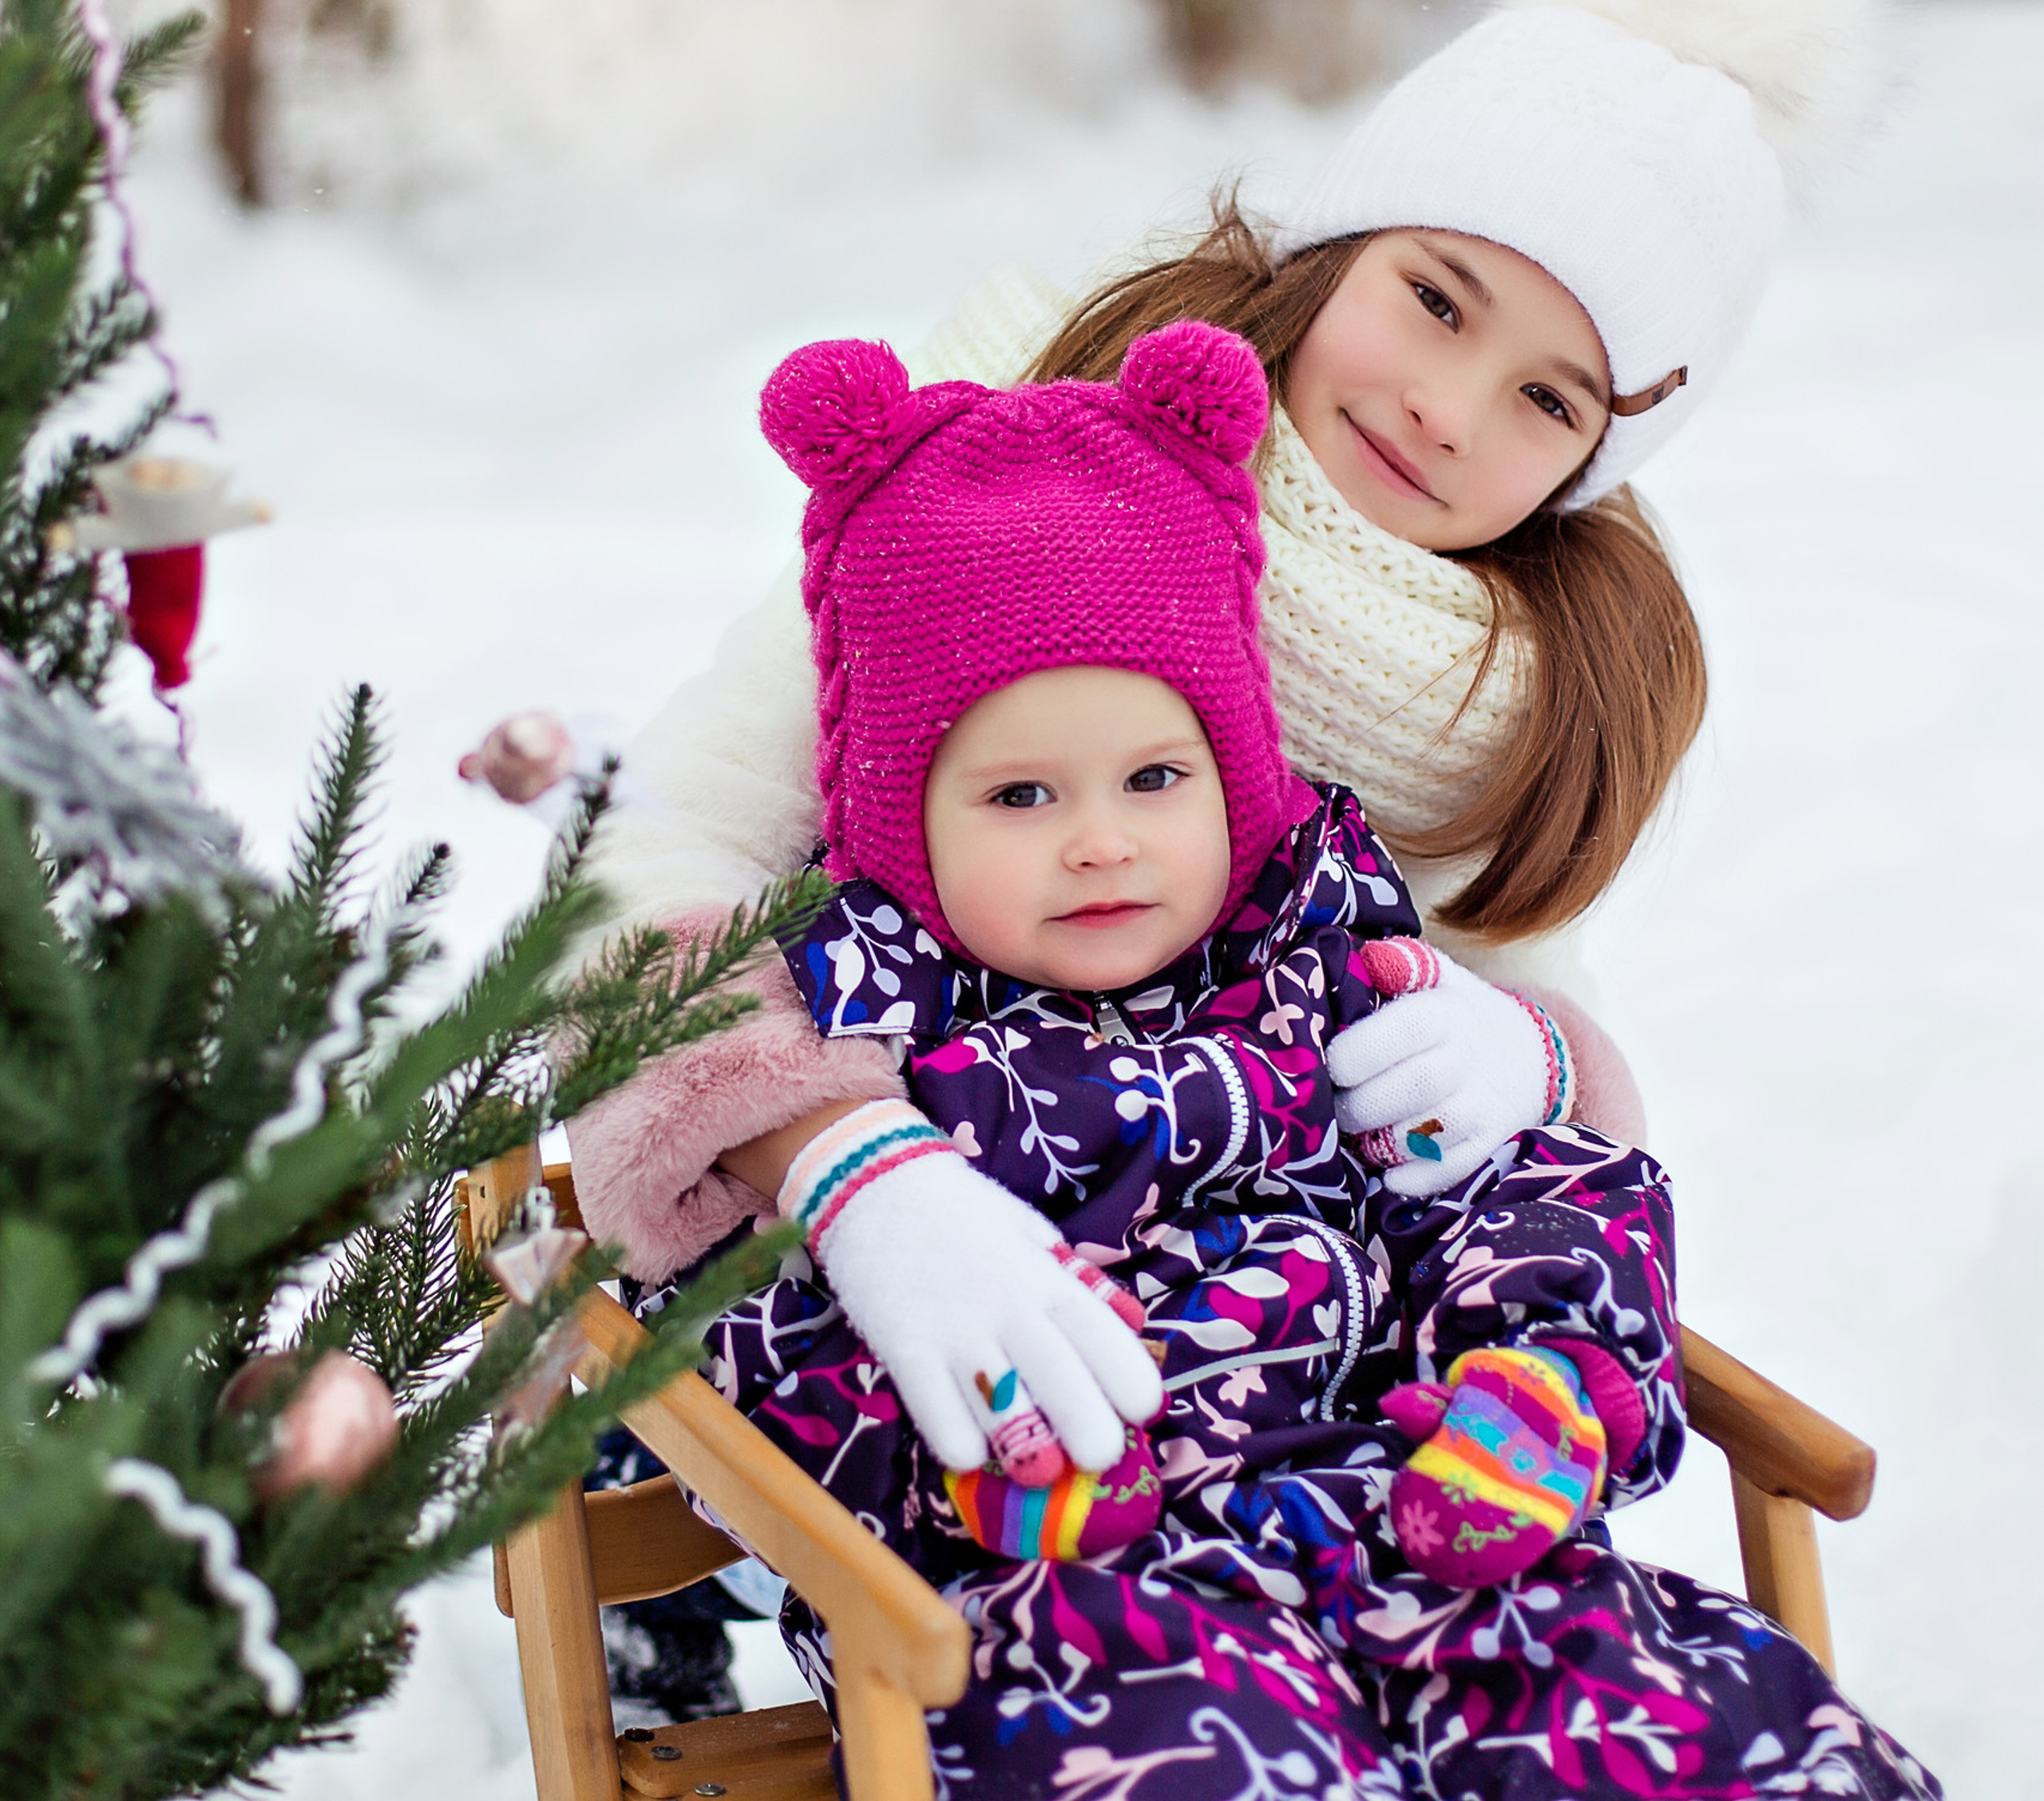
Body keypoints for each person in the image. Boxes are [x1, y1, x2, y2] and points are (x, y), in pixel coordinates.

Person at [557, 0, 1899, 1462]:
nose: (1444, 405)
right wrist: (841, 1160)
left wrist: (1524, 1049)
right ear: (1337, 244)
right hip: (883, 1242)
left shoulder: (1502, 693)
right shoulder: (996, 472)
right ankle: (676, 1571)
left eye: (1550, 397)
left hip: (1247, 1354)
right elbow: (668, 857)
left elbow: (1523, 1001)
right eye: (1435, 296)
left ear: (1593, 463)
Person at [651, 317, 1933, 1798]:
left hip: (1426, 1517)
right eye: (1016, 792)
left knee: (1690, 1735)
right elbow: (737, 1323)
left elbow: (1528, 1189)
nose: (1101, 837)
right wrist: (969, 1449)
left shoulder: (1321, 965)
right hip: (1063, 1599)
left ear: (1231, 770)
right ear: (897, 807)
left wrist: (1546, 1370)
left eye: (1155, 775)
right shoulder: (854, 1027)